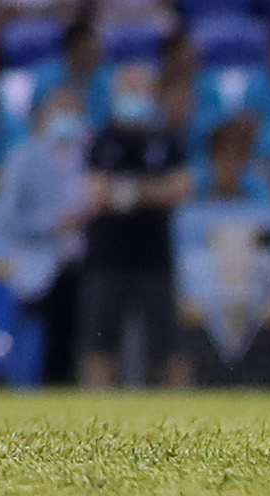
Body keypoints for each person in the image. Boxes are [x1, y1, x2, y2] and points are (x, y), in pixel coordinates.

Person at [75, 85, 190, 388]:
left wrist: (123, 193)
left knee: (169, 348)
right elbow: (96, 193)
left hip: (155, 259)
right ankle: (94, 418)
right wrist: (151, 191)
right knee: (98, 345)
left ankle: (182, 416)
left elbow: (180, 188)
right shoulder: (102, 141)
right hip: (107, 258)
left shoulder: (165, 140)